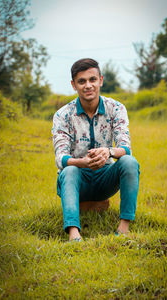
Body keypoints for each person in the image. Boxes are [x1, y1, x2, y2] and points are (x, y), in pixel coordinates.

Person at [52, 58, 140, 241]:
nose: (88, 85)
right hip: (75, 181)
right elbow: (60, 157)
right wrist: (82, 162)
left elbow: (126, 148)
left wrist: (108, 151)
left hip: (105, 178)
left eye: (92, 79)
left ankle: (124, 228)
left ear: (100, 80)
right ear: (73, 85)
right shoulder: (62, 115)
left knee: (130, 162)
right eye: (81, 81)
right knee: (68, 170)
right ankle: (73, 233)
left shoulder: (116, 108)